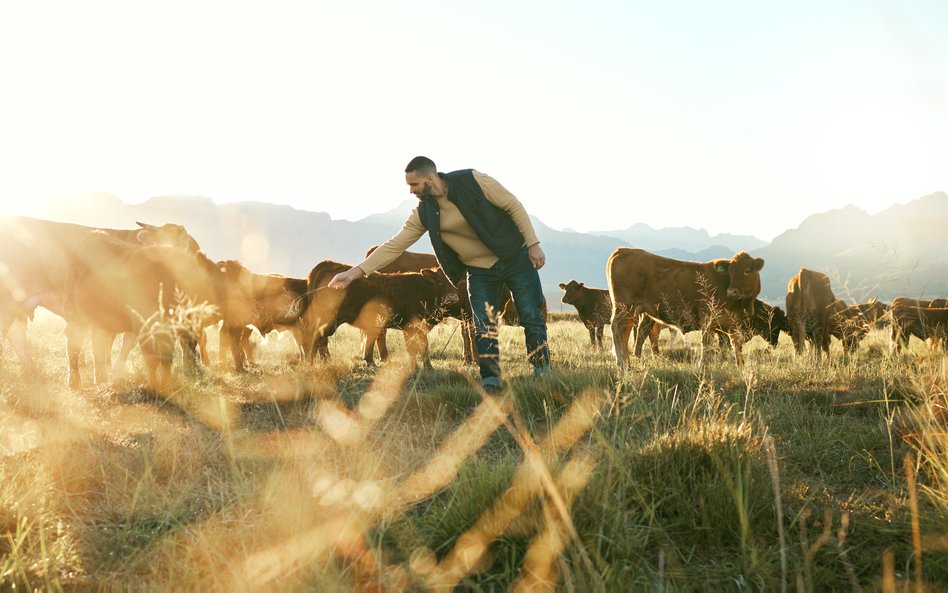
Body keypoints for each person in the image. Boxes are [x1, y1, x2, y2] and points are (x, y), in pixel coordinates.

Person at [327, 156, 551, 393]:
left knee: (530, 315)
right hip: (479, 271)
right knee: (483, 325)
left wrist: (533, 243)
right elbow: (395, 245)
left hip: (514, 258)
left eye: (414, 185)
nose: (411, 191)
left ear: (430, 179)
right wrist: (354, 273)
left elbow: (512, 204)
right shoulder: (424, 213)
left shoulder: (473, 180)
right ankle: (491, 381)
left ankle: (541, 371)